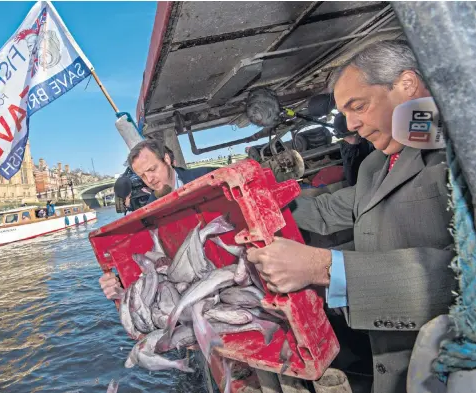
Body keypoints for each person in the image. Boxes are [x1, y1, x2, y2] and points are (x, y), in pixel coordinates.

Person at [246, 40, 455, 393]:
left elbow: (464, 276)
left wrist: (322, 268)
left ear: (406, 85)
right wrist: (256, 203)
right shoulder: (375, 164)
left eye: (358, 106)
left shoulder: (460, 148)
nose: (351, 124)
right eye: (344, 111)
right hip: (393, 365)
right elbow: (328, 210)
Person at [99, 139, 216, 298]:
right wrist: (118, 283)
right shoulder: (147, 215)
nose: (149, 179)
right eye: (142, 175)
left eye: (152, 169)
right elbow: (147, 255)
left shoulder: (210, 177)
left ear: (167, 159)